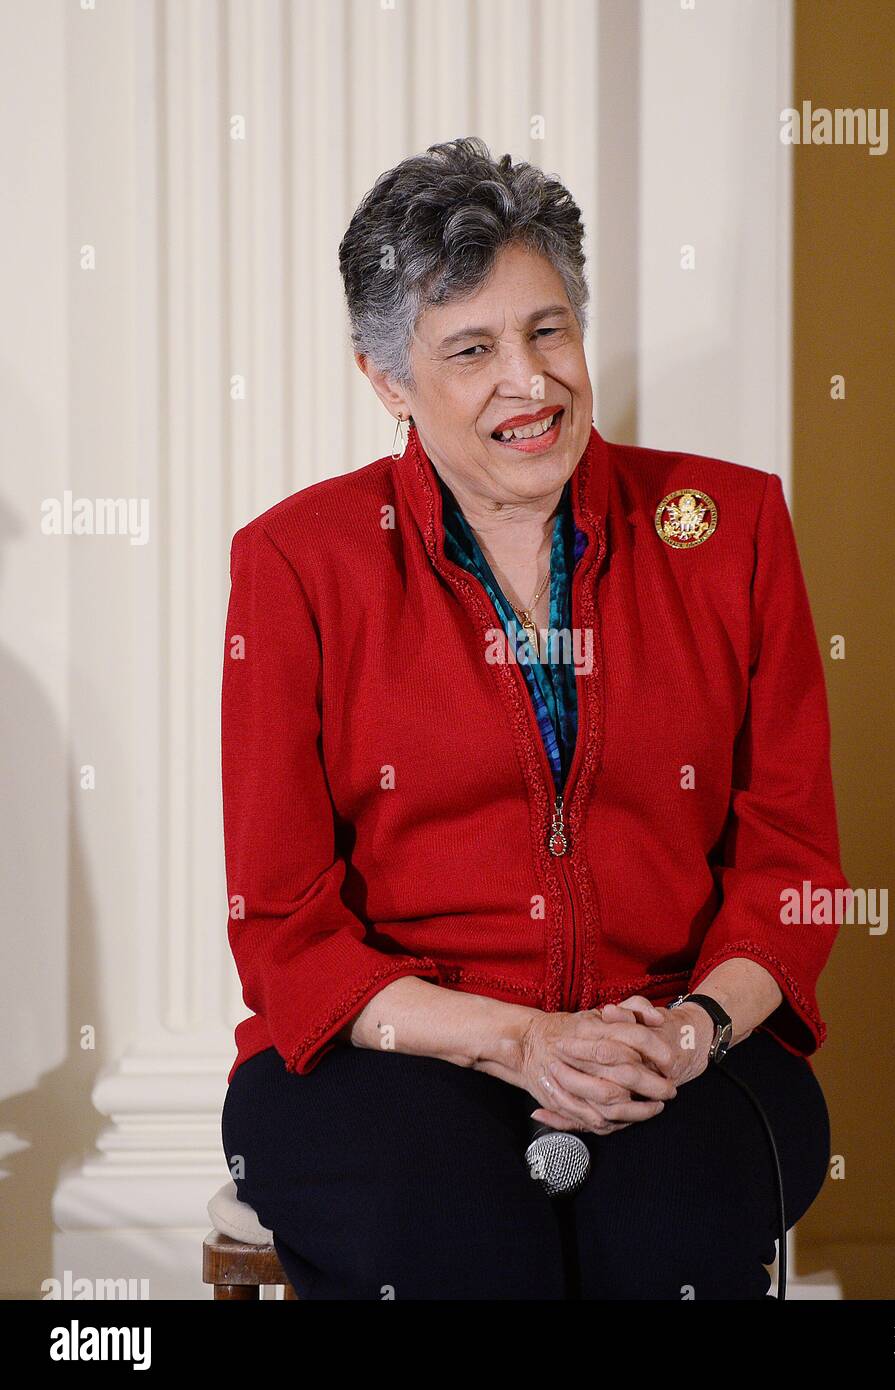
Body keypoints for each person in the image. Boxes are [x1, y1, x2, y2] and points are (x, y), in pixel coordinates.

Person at [219, 136, 847, 1300]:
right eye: (470, 349)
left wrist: (691, 1029)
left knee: (663, 1232)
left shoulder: (732, 527)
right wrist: (513, 1040)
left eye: (547, 328)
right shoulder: (295, 564)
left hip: (674, 1042)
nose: (531, 381)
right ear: (385, 380)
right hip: (396, 1051)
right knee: (460, 1243)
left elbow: (790, 867)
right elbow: (284, 926)